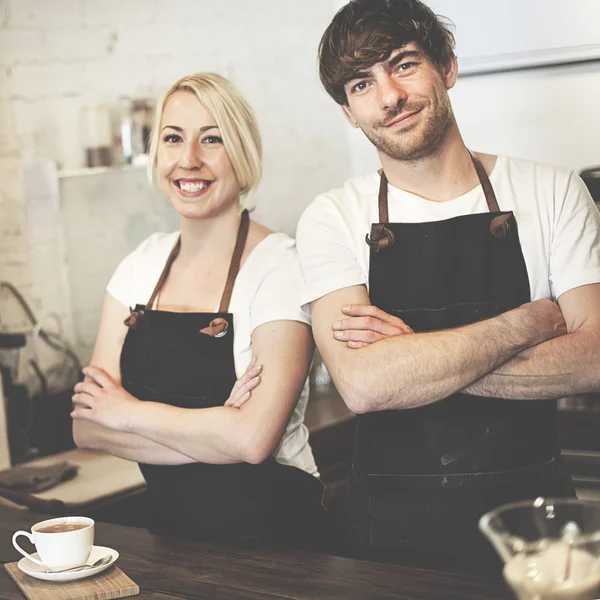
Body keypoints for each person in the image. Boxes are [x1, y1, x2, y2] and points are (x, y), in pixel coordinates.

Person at [296, 0, 600, 576]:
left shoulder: (552, 191)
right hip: (387, 545)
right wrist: (527, 323)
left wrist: (412, 362)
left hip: (536, 536)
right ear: (348, 112)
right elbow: (363, 385)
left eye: (404, 65)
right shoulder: (331, 217)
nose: (389, 97)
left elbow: (594, 358)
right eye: (363, 84)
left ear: (448, 67)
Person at [72, 72, 325, 550]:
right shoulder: (139, 267)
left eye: (212, 139)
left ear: (243, 154)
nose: (189, 160)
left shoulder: (278, 267)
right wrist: (215, 430)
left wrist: (126, 413)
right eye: (173, 138)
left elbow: (253, 441)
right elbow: (86, 425)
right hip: (173, 540)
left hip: (281, 544)